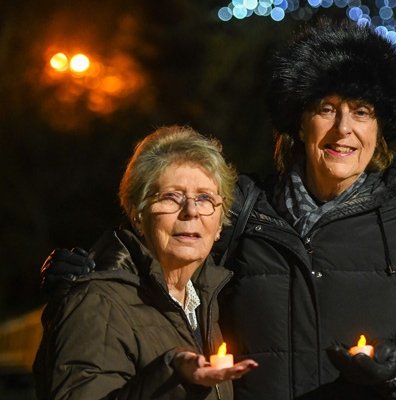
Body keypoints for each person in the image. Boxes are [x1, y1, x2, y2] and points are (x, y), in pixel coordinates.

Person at [42, 18, 396, 400]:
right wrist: (88, 274)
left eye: (361, 112)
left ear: (380, 128)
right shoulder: (245, 207)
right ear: (300, 123)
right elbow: (166, 256)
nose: (343, 129)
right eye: (326, 109)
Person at [33, 126, 258, 400]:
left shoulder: (203, 303)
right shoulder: (99, 302)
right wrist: (174, 375)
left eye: (204, 198)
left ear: (220, 224)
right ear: (138, 215)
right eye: (171, 196)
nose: (191, 211)